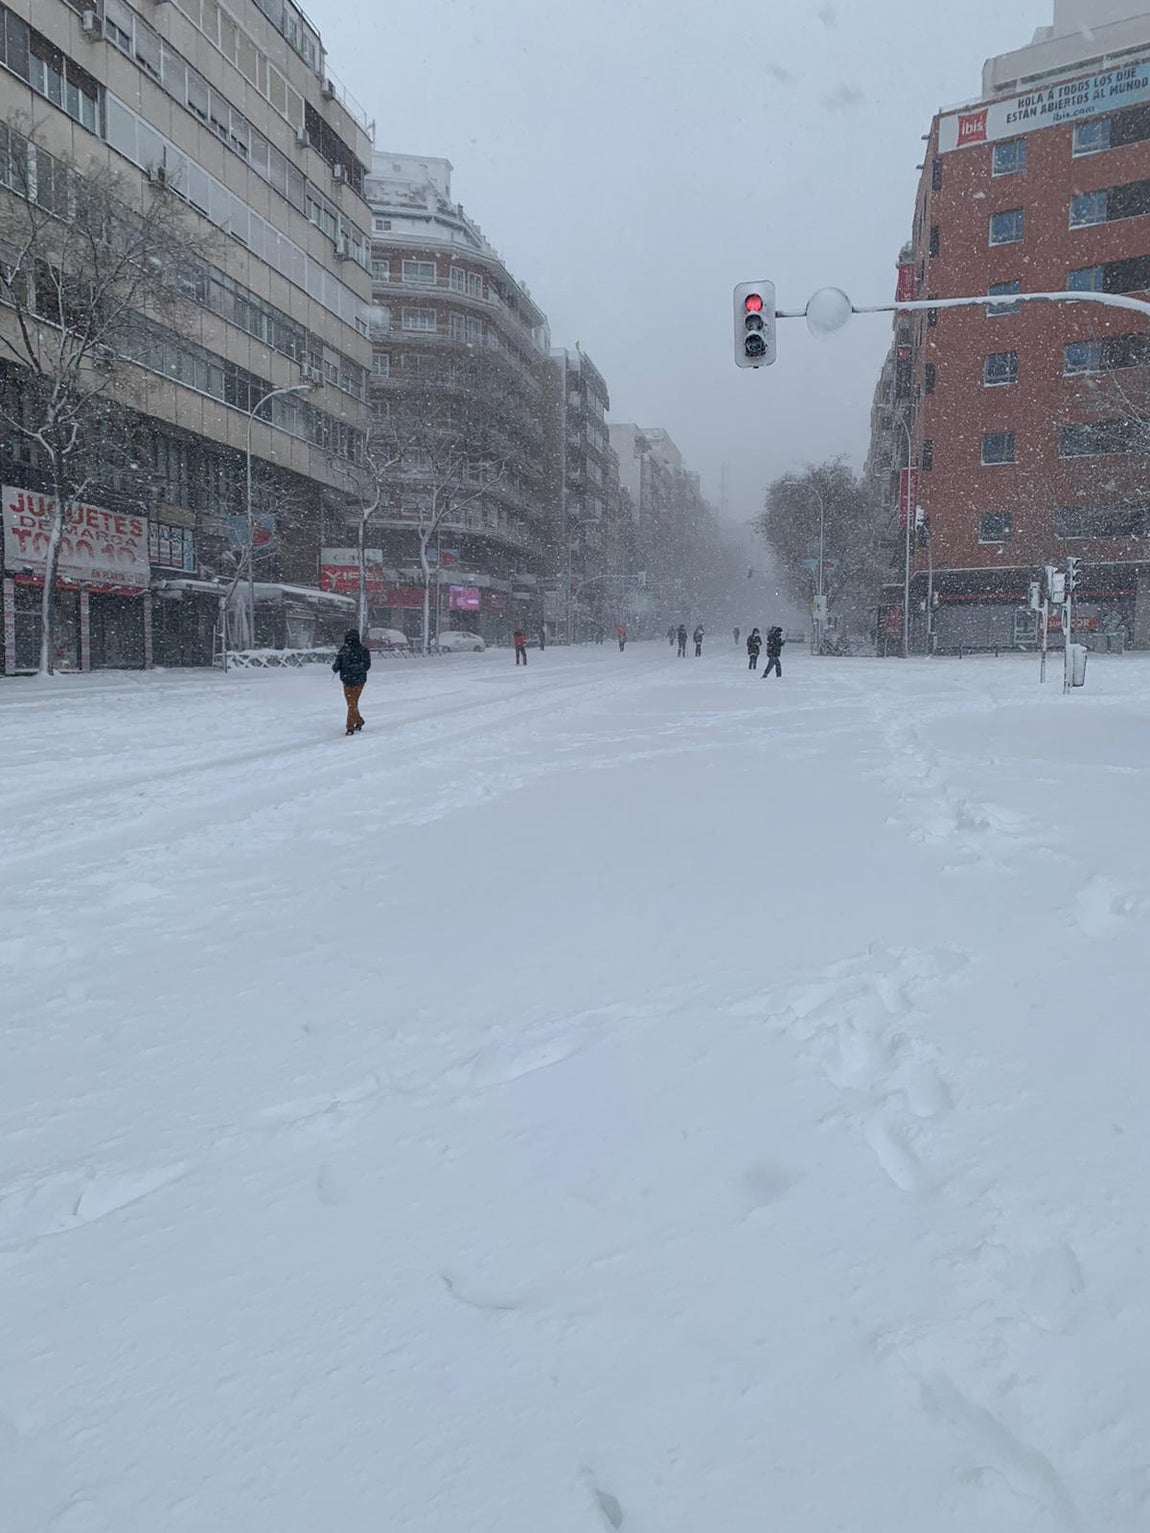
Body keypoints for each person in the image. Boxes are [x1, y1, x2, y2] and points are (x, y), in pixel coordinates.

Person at [332, 628, 371, 735]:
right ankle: (359, 720)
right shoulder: (346, 650)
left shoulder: (360, 651)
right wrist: (336, 667)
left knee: (352, 704)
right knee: (351, 704)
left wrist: (349, 668)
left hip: (356, 681)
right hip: (348, 680)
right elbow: (338, 663)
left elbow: (366, 666)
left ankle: (350, 726)